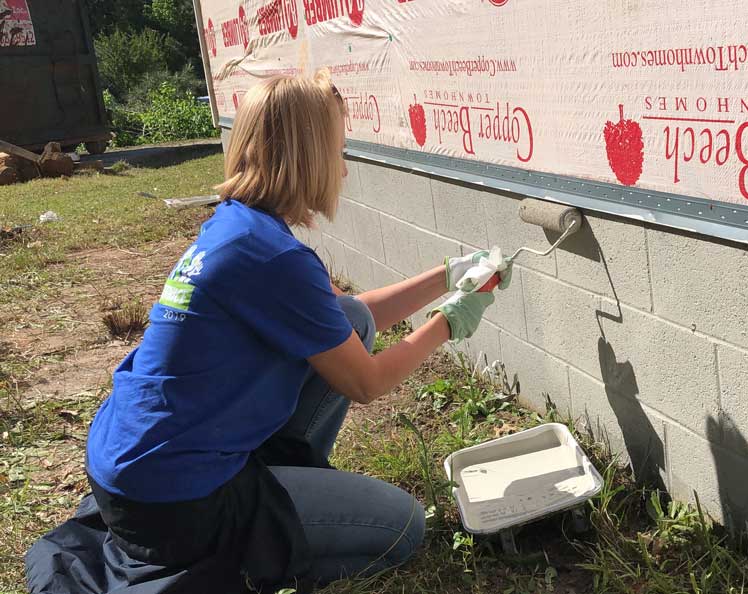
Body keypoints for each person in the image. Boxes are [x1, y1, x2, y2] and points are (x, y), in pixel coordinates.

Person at [25, 71, 509, 594]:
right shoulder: (274, 258)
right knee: (401, 532)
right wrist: (451, 322)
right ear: (307, 157)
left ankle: (281, 491)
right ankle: (244, 561)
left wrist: (446, 275)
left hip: (136, 465)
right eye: (338, 152)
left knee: (352, 320)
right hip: (175, 499)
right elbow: (366, 383)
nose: (343, 171)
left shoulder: (239, 227)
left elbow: (337, 318)